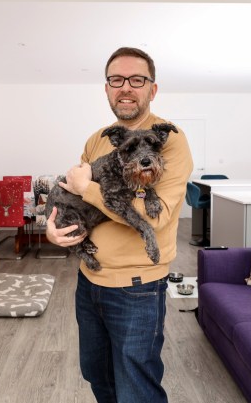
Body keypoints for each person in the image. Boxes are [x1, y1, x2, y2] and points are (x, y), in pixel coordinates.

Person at [46, 47, 193, 403]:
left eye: (137, 80)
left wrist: (88, 188)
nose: (125, 88)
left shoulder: (168, 141)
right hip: (88, 281)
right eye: (116, 80)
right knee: (98, 376)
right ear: (107, 88)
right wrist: (51, 230)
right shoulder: (98, 138)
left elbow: (153, 217)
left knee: (136, 390)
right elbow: (75, 194)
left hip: (137, 287)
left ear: (152, 89)